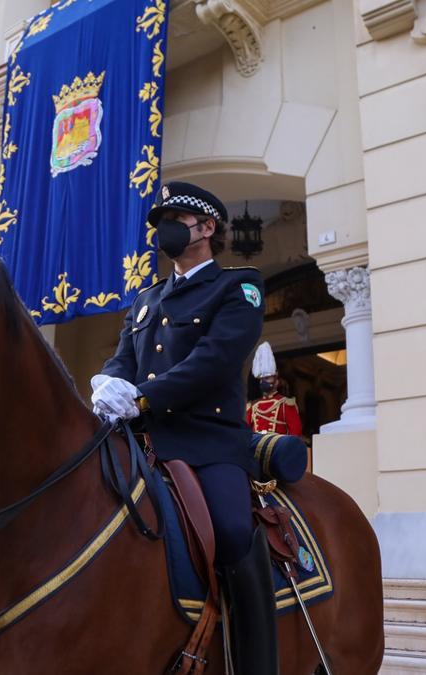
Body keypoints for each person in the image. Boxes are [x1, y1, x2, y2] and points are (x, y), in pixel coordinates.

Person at [90, 182, 277, 674]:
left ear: (207, 227)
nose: (165, 230)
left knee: (235, 532)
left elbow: (214, 361)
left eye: (176, 219)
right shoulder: (147, 299)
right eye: (160, 222)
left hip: (206, 443)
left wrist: (143, 397)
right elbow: (123, 358)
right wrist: (107, 384)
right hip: (140, 441)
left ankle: (256, 660)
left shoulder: (238, 287)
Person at [246, 342, 302, 436]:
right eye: (261, 379)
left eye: (267, 378)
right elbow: (246, 433)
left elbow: (295, 433)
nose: (263, 382)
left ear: (276, 382)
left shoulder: (286, 404)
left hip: (278, 449)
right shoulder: (252, 406)